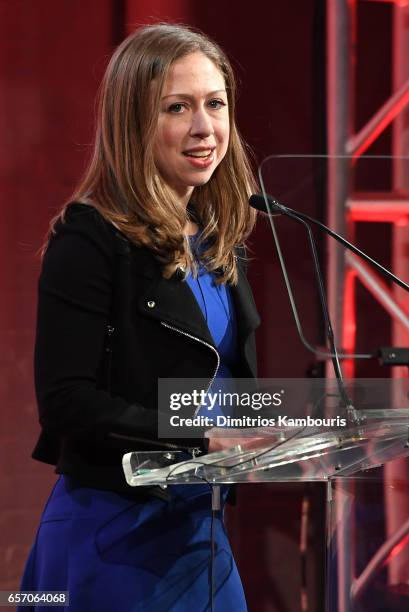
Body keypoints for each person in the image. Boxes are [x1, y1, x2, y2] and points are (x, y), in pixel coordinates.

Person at [20, 23, 260, 612]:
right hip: (114, 534)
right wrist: (198, 435)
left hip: (198, 531)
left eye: (215, 103)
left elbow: (225, 385)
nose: (205, 128)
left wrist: (306, 425)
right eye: (177, 107)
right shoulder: (91, 238)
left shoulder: (217, 243)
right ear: (135, 123)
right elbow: (67, 401)